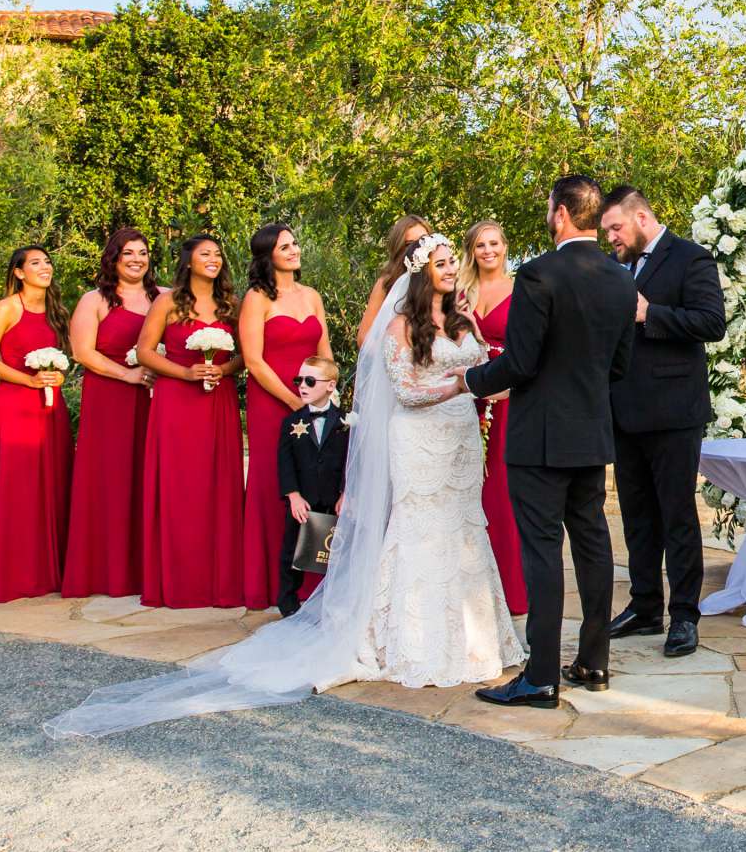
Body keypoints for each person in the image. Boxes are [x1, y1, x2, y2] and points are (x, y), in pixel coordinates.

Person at [45, 232, 524, 739]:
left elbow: (483, 363)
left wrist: (486, 382)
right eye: (444, 263)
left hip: (459, 441)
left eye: (454, 262)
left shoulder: (463, 318)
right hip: (419, 438)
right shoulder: (401, 325)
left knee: (464, 529)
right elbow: (404, 389)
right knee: (419, 531)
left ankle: (474, 637)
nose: (454, 270)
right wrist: (462, 386)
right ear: (421, 271)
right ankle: (412, 640)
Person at [466, 175, 639, 708]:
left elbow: (519, 362)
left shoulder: (538, 274)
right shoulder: (621, 278)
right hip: (590, 432)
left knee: (541, 551)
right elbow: (620, 364)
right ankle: (594, 661)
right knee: (591, 544)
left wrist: (469, 382)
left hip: (539, 435)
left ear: (560, 214)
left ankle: (540, 675)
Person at [601, 186, 727, 658]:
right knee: (636, 517)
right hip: (623, 409)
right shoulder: (614, 267)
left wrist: (649, 313)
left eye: (616, 228)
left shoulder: (691, 258)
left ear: (642, 218)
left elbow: (712, 322)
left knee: (677, 516)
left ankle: (685, 615)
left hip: (674, 411)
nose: (610, 237)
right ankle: (644, 604)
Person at [136, 235, 246, 609]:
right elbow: (144, 351)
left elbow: (246, 356)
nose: (213, 259)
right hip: (177, 403)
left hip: (218, 399)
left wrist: (223, 369)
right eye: (205, 254)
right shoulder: (168, 301)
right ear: (188, 262)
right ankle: (178, 580)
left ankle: (220, 581)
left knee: (217, 485)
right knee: (180, 486)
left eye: (217, 254)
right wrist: (185, 374)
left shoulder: (232, 304)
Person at [239, 223, 333, 612]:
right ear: (268, 255)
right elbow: (253, 361)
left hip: (314, 401)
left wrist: (326, 390)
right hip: (273, 403)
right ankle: (270, 582)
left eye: (295, 243)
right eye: (285, 246)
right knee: (274, 483)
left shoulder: (311, 296)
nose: (294, 250)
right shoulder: (257, 298)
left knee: (318, 480)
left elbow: (324, 349)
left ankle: (313, 579)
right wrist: (295, 401)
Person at [60, 226, 157, 599]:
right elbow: (83, 352)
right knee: (112, 479)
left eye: (142, 252)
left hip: (153, 396)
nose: (136, 259)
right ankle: (106, 571)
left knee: (147, 476)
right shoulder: (95, 300)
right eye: (128, 253)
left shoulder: (162, 296)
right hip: (109, 397)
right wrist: (128, 375)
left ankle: (147, 567)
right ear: (113, 259)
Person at [0, 245, 74, 603]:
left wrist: (59, 378)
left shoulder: (55, 309)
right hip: (15, 404)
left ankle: (50, 571)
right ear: (19, 272)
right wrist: (26, 380)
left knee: (51, 484)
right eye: (35, 263)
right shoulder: (7, 307)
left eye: (47, 261)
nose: (45, 267)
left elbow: (69, 356)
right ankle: (14, 574)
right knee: (19, 489)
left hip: (50, 406)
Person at [462, 220, 527, 616]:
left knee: (501, 489)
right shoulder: (460, 292)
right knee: (469, 486)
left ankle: (511, 587)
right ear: (472, 251)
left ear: (505, 248)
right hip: (466, 395)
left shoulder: (521, 290)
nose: (488, 251)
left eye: (495, 243)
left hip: (506, 397)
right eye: (481, 245)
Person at [277, 354, 348, 619]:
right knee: (291, 551)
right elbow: (284, 462)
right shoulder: (291, 423)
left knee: (333, 552)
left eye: (309, 380)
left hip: (333, 499)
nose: (302, 386)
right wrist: (293, 495)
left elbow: (352, 461)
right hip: (302, 500)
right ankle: (288, 603)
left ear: (330, 385)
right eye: (299, 380)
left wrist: (345, 493)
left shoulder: (346, 422)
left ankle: (333, 602)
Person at [358, 214, 430, 351]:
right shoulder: (386, 283)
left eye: (423, 241)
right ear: (399, 247)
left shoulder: (442, 281)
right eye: (409, 244)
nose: (417, 248)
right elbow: (364, 338)